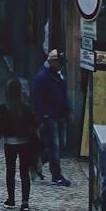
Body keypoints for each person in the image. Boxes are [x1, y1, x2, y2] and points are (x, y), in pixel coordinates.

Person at [0, 76, 41, 211]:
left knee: (10, 171)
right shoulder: (26, 107)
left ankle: (11, 199)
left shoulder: (4, 108)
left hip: (9, 143)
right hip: (25, 142)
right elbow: (35, 124)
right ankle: (25, 202)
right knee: (24, 172)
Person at [31, 50, 73, 184]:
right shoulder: (42, 77)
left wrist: (68, 111)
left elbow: (63, 95)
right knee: (54, 146)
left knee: (59, 145)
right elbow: (37, 99)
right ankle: (56, 176)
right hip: (49, 116)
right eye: (59, 63)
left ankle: (36, 163)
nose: (61, 65)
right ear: (52, 62)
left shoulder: (58, 76)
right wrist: (42, 116)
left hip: (59, 114)